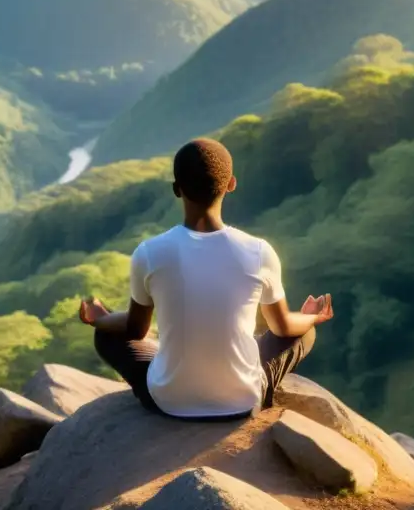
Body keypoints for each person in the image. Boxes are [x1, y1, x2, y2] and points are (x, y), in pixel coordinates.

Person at [78, 137, 333, 421]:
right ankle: (251, 388)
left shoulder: (149, 252)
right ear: (231, 184)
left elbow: (135, 329)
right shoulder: (259, 251)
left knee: (107, 335)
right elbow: (283, 326)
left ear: (177, 189)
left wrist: (98, 318)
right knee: (303, 331)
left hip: (168, 402)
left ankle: (172, 369)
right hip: (243, 402)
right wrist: (312, 317)